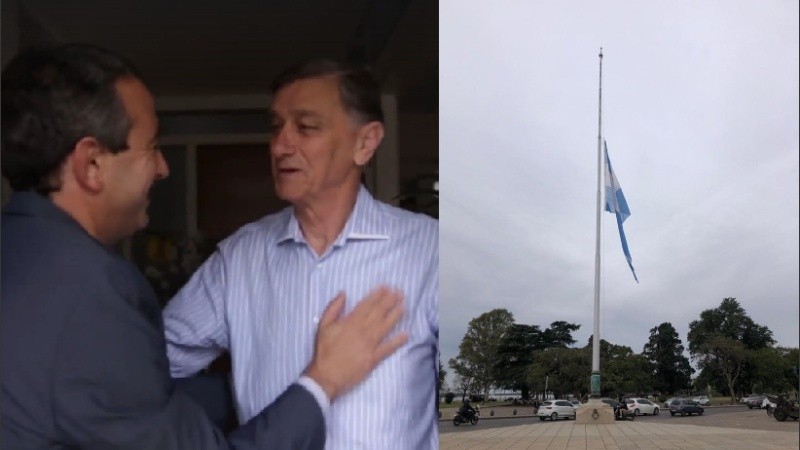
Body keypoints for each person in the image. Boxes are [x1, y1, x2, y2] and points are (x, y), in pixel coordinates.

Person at [0, 44, 407, 450]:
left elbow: (129, 397)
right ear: (91, 164)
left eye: (306, 127)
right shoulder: (98, 290)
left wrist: (256, 379)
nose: (163, 168)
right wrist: (323, 381)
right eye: (152, 147)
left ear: (366, 142)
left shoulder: (19, 252)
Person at [163, 59, 439, 449]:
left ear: (365, 143)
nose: (280, 146)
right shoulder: (240, 258)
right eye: (276, 127)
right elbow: (144, 371)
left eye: (306, 127)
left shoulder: (429, 250)